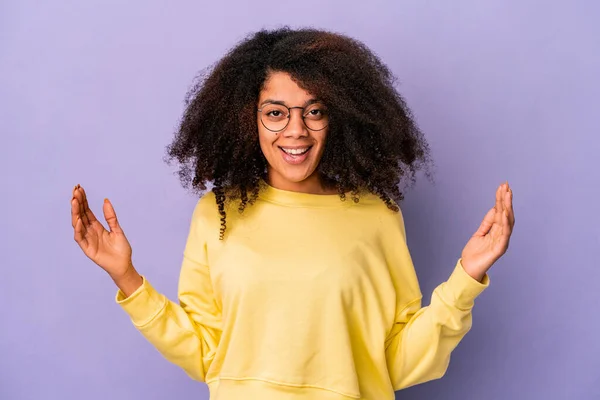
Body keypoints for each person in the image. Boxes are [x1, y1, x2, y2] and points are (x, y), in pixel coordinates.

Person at [70, 27, 515, 400]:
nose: (296, 130)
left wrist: (465, 279)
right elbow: (206, 354)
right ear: (248, 119)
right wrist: (126, 278)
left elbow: (395, 361)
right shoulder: (217, 213)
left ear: (338, 117)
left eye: (314, 111)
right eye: (276, 113)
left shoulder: (377, 215)